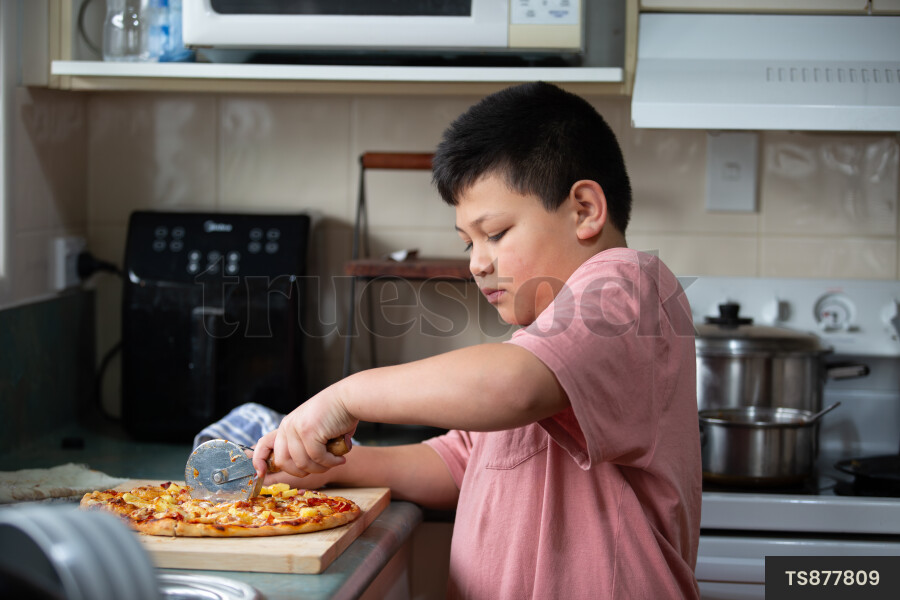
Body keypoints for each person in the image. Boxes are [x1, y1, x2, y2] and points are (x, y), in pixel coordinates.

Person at [253, 81, 702, 599]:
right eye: (468, 242)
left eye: (496, 233)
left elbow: (511, 385)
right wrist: (331, 469)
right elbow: (459, 462)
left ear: (584, 209)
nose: (476, 263)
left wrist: (344, 395)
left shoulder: (629, 287)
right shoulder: (539, 337)